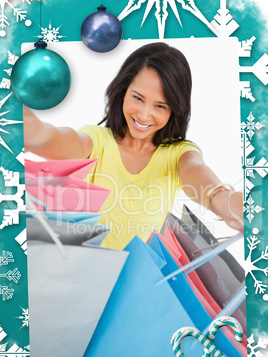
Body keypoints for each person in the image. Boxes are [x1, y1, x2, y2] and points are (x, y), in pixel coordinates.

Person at [24, 42, 243, 249]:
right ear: (123, 91)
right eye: (138, 98)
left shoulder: (177, 154)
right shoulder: (98, 141)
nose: (145, 115)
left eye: (160, 106)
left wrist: (223, 199)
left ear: (175, 110)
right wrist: (39, 134)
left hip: (142, 282)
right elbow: (67, 143)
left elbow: (195, 170)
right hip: (87, 278)